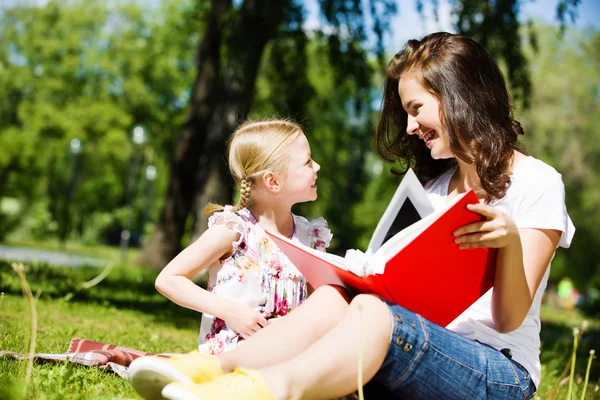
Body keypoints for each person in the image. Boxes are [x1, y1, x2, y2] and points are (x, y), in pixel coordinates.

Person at [130, 32, 575, 400]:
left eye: (416, 109)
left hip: (496, 369)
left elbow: (511, 318)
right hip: (411, 341)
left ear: (459, 96)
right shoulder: (432, 189)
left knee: (375, 314)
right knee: (338, 297)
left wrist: (510, 243)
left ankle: (263, 391)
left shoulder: (536, 182)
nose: (409, 128)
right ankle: (209, 370)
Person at [129, 119, 332, 397]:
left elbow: (320, 304)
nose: (317, 166)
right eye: (308, 161)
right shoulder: (235, 230)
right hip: (235, 351)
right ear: (273, 181)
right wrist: (231, 312)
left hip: (288, 351)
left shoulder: (311, 236)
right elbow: (169, 279)